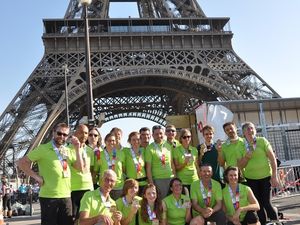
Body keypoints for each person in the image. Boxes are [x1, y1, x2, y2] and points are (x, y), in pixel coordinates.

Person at [17, 122, 78, 225]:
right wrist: (36, 177)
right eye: (59, 133)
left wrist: (77, 148)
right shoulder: (43, 149)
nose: (62, 136)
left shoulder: (67, 150)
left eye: (65, 135)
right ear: (53, 132)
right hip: (49, 197)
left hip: (66, 196)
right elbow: (21, 163)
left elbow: (80, 168)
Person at [238, 122, 279, 225]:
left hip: (265, 177)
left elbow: (273, 159)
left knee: (266, 202)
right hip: (251, 179)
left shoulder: (262, 141)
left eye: (251, 128)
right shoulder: (242, 145)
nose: (250, 130)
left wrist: (274, 176)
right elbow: (240, 165)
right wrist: (246, 157)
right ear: (243, 133)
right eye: (247, 129)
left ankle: (276, 222)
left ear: (255, 130)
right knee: (258, 204)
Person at [70, 124, 94, 220]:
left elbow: (90, 169)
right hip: (73, 188)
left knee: (87, 219)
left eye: (86, 133)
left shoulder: (90, 151)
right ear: (75, 133)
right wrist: (77, 149)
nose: (83, 135)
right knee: (73, 219)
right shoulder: (67, 149)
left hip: (88, 188)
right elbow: (78, 167)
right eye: (80, 132)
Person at [145, 125, 175, 198]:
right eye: (156, 134)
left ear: (164, 134)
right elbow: (148, 168)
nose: (159, 135)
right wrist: (151, 183)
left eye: (161, 133)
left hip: (170, 178)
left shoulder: (168, 145)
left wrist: (175, 178)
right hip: (158, 180)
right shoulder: (149, 148)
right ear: (152, 135)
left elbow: (171, 163)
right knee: (162, 202)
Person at [94, 133, 125, 200]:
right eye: (109, 140)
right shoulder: (99, 155)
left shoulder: (121, 153)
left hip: (118, 187)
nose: (111, 142)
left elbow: (124, 169)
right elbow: (96, 170)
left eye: (113, 140)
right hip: (104, 186)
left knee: (117, 209)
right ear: (105, 142)